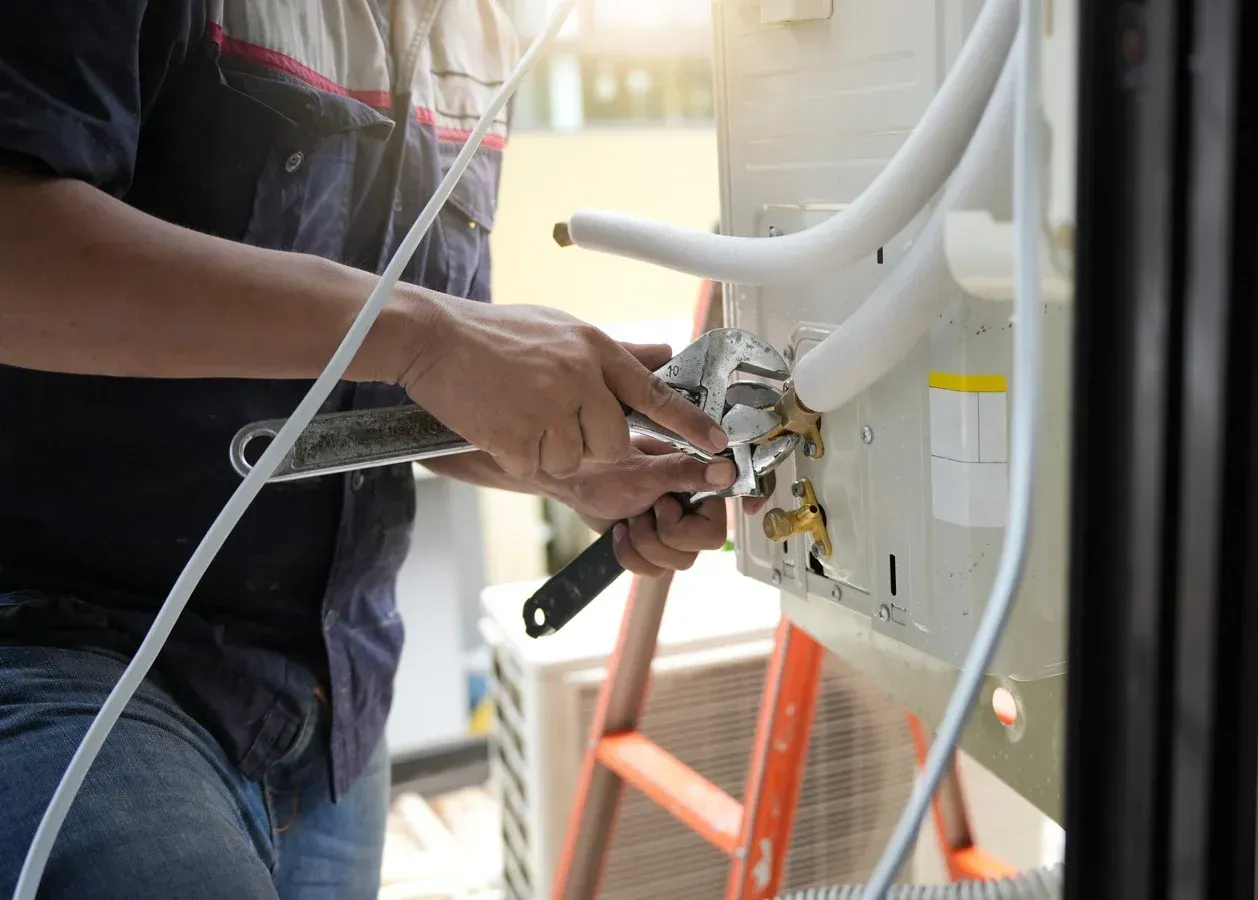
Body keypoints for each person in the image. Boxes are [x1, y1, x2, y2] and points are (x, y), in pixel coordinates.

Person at [0, 3, 733, 897]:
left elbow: (404, 387)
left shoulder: (484, 30)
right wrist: (430, 334)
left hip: (331, 720)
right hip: (64, 659)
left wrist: (568, 462)